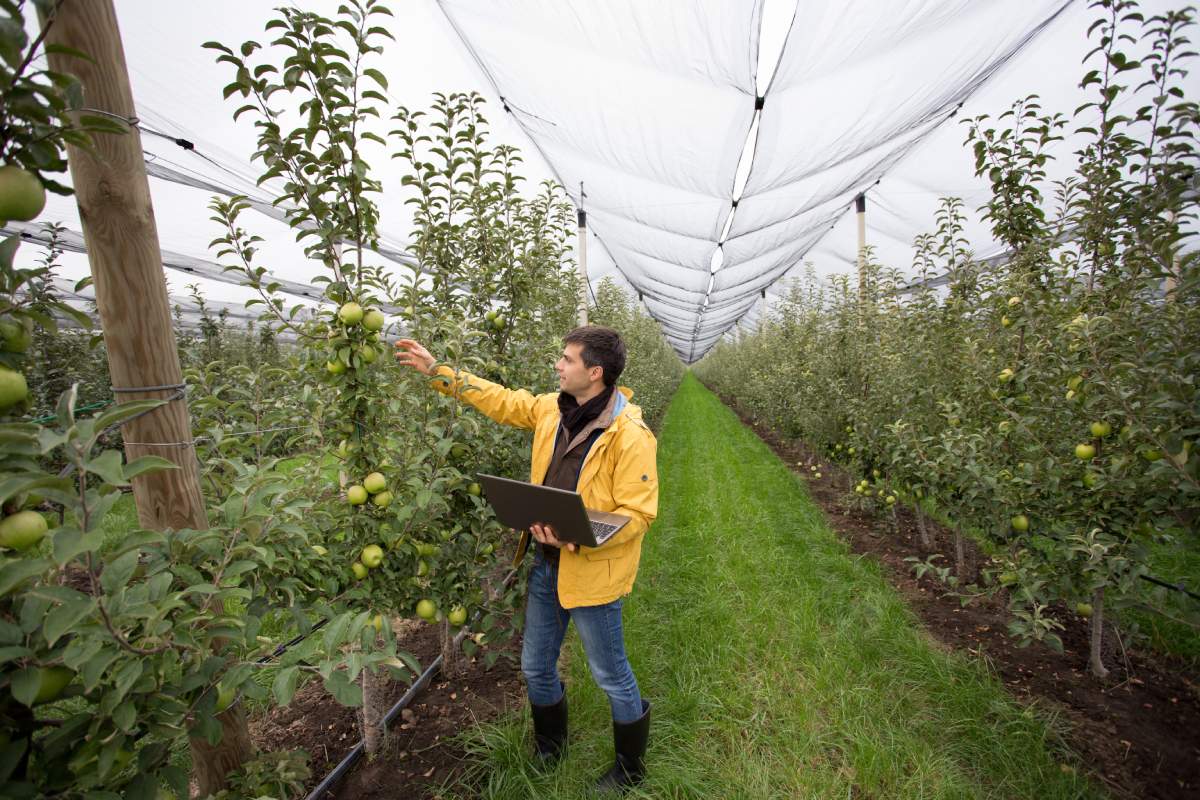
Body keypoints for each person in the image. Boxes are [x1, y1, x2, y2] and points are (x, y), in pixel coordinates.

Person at [394, 325, 658, 792]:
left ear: (594, 372)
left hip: (591, 573)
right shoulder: (551, 409)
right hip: (545, 566)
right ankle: (550, 747)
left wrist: (577, 538)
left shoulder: (629, 435)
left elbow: (637, 514)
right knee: (536, 666)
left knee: (610, 675)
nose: (558, 365)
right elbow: (500, 400)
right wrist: (439, 371)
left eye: (567, 359)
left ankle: (630, 769)